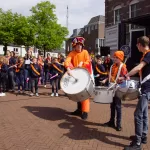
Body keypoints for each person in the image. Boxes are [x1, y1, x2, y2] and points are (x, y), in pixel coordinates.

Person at [123, 36, 150, 150]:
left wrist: (126, 75)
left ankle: (137, 144)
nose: (136, 46)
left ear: (140, 44)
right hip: (145, 88)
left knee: (138, 115)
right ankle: (143, 136)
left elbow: (139, 67)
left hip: (147, 89)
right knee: (143, 114)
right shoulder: (146, 55)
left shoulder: (148, 55)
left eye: (137, 44)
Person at [64, 37, 92, 120]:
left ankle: (85, 111)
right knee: (77, 93)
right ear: (74, 46)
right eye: (77, 45)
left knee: (84, 94)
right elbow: (67, 61)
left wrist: (82, 62)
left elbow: (88, 61)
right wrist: (68, 68)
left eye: (80, 45)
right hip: (76, 75)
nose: (79, 46)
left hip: (85, 75)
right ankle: (79, 109)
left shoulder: (85, 52)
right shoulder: (72, 53)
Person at [102, 51, 128, 131]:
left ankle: (118, 124)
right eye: (114, 57)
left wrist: (122, 78)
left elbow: (127, 77)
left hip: (118, 88)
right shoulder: (112, 66)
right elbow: (110, 75)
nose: (115, 59)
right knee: (112, 105)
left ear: (120, 58)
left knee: (118, 106)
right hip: (111, 87)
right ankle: (111, 122)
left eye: (117, 57)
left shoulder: (123, 67)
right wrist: (106, 79)